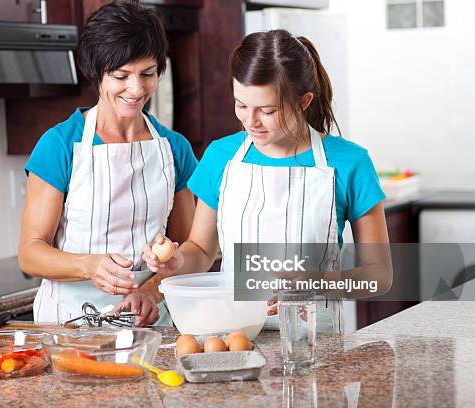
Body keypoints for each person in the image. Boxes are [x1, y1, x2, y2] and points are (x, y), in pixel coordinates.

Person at [143, 29, 390, 333]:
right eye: (241, 105)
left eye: (268, 110)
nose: (250, 122)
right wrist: (176, 261)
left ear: (303, 101)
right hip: (237, 336)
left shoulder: (350, 162)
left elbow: (379, 276)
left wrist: (317, 282)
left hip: (314, 346)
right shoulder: (221, 156)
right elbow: (202, 251)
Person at [19, 0, 197, 326]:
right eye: (121, 76)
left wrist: (152, 291)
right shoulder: (60, 145)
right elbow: (30, 252)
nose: (137, 88)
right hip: (70, 326)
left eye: (148, 74)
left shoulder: (175, 149)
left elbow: (189, 249)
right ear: (96, 73)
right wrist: (89, 266)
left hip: (150, 324)